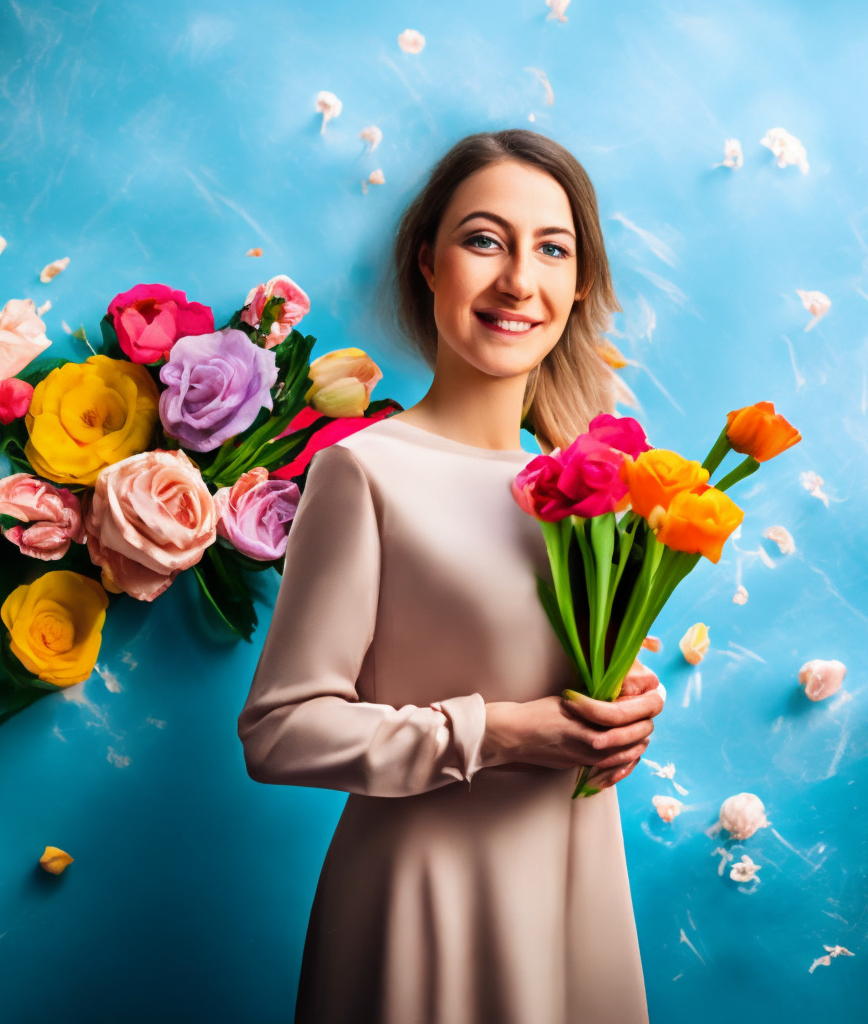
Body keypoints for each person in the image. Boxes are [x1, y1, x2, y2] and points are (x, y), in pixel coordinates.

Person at [238, 129, 665, 1024]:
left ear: (579, 283)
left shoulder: (597, 490)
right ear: (428, 263)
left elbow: (556, 682)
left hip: (574, 894)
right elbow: (280, 732)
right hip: (423, 910)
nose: (519, 280)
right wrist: (498, 734)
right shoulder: (364, 472)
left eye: (552, 248)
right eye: (484, 240)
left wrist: (620, 709)